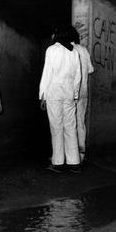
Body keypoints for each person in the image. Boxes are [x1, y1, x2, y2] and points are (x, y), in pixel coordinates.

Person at [39, 28, 82, 173]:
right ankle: (74, 162)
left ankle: (58, 162)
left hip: (54, 92)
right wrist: (75, 94)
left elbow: (47, 73)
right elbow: (78, 76)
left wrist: (42, 95)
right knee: (70, 126)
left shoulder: (52, 50)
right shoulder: (74, 52)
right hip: (69, 93)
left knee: (56, 127)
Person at [68, 26, 95, 163]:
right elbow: (90, 70)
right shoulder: (84, 50)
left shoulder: (66, 50)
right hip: (83, 92)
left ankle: (70, 155)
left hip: (70, 92)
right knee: (80, 122)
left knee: (68, 123)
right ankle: (81, 153)